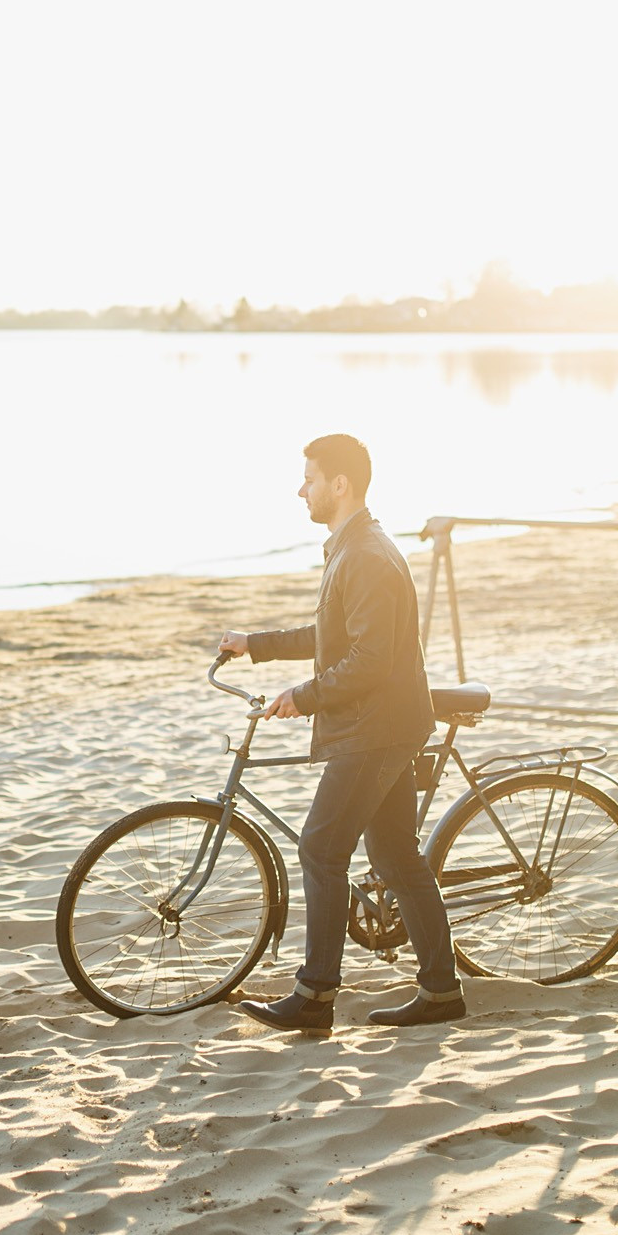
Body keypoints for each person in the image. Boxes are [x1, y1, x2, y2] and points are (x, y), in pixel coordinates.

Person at [218, 434, 465, 1036]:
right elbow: (332, 637)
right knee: (395, 856)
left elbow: (370, 660)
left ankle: (314, 995)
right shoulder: (351, 548)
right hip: (382, 723)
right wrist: (256, 645)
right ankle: (441, 992)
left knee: (321, 849)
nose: (299, 489)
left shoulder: (366, 555)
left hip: (376, 728)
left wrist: (304, 697)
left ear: (339, 484)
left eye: (308, 478)